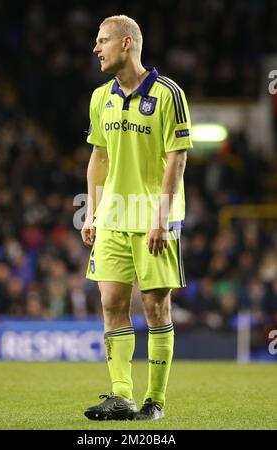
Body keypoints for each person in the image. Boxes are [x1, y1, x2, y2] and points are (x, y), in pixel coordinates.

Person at [81, 15, 193, 421]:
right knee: (111, 302)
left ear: (127, 43)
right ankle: (121, 395)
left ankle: (155, 401)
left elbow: (177, 160)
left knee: (155, 308)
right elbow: (99, 156)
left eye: (103, 40)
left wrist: (161, 219)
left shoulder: (168, 94)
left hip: (154, 220)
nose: (96, 48)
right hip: (112, 218)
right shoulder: (100, 98)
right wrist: (92, 212)